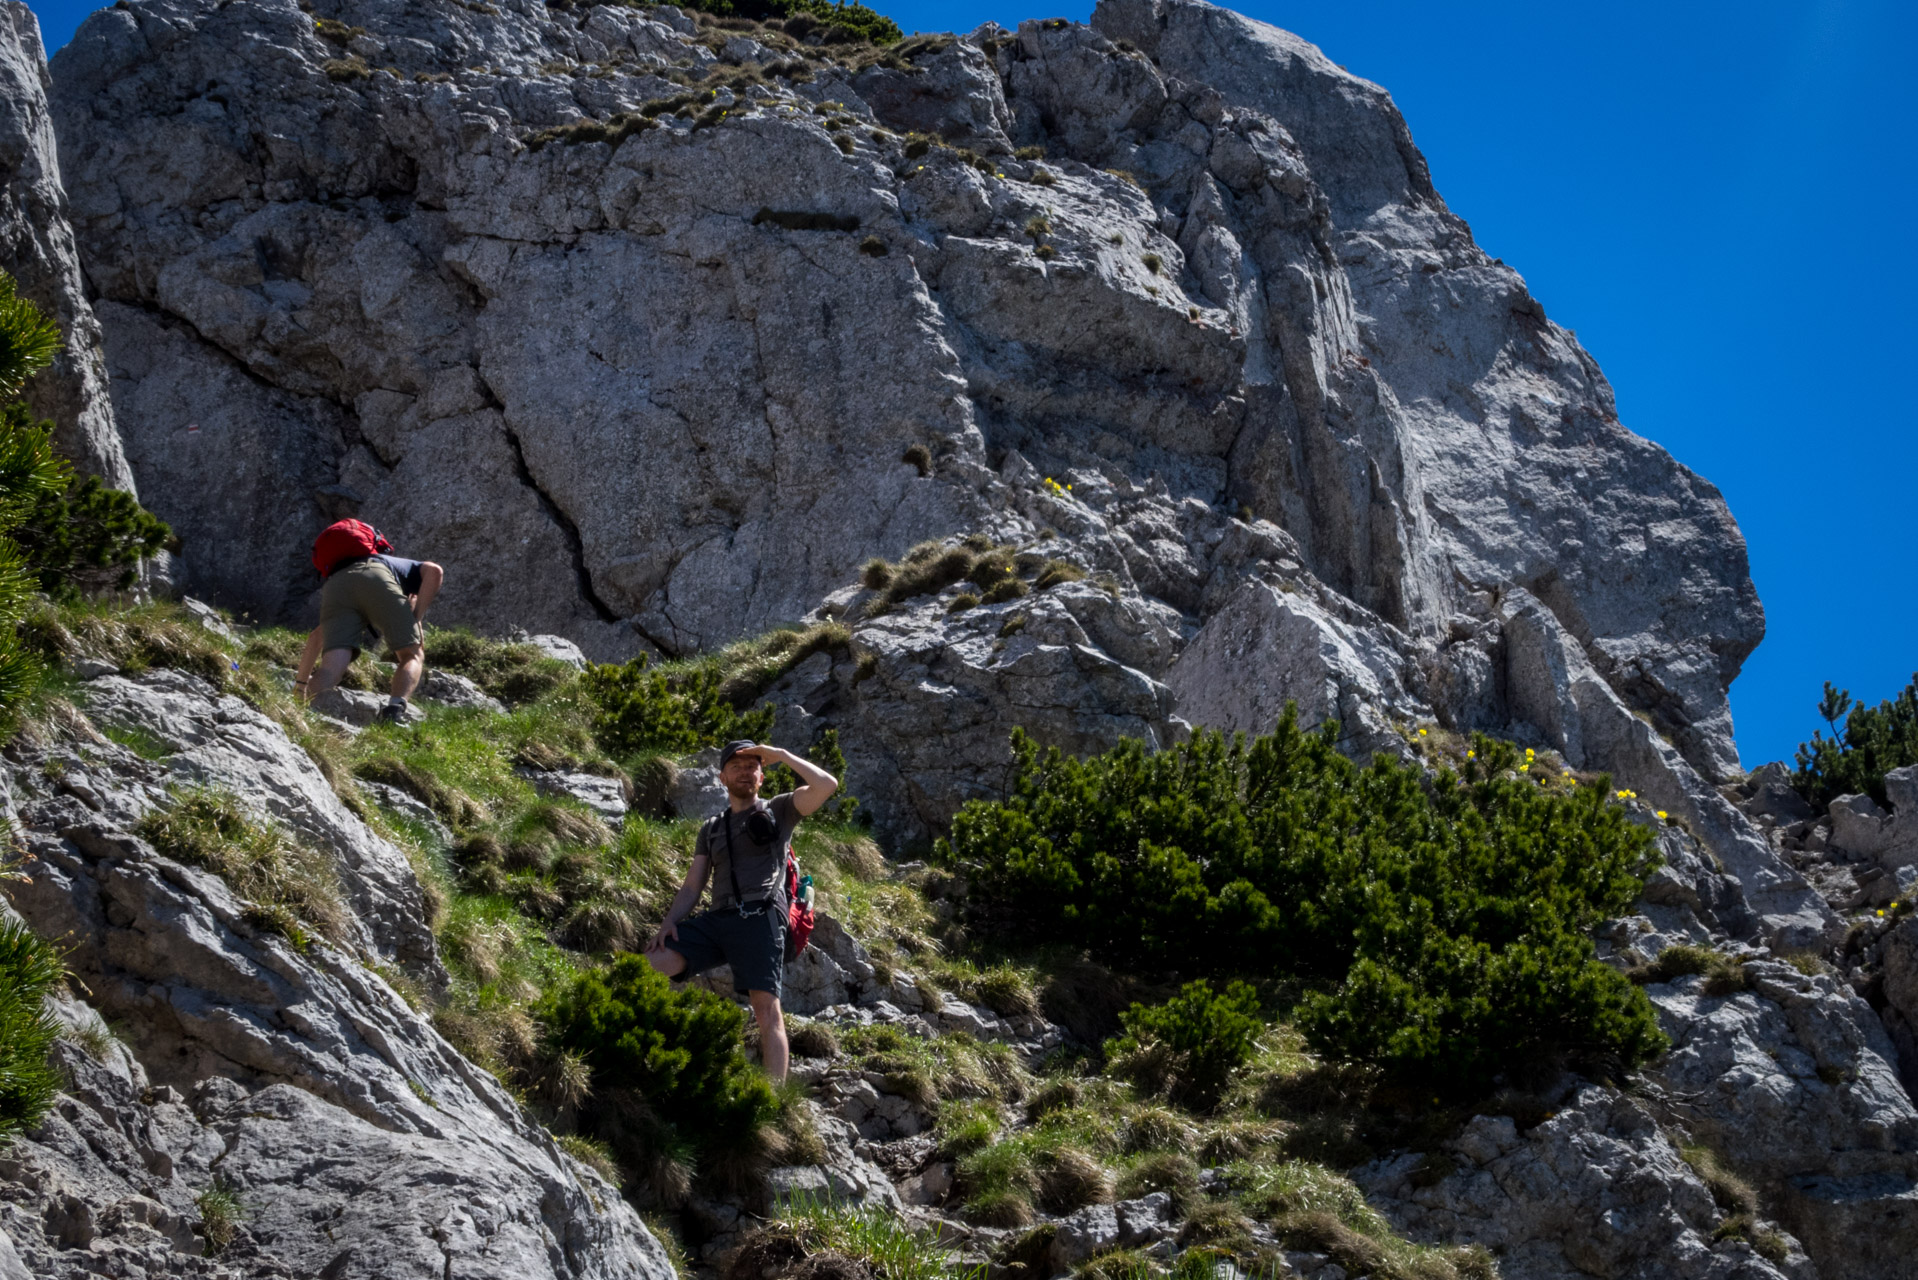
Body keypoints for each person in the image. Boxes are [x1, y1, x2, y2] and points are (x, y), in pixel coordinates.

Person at [645, 739, 838, 1082]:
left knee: (766, 1010)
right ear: (722, 777)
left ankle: (773, 1097)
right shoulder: (712, 828)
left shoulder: (779, 810)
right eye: (736, 766)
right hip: (718, 919)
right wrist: (668, 924)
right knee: (649, 965)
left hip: (759, 917)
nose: (745, 772)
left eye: (752, 766)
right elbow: (692, 886)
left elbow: (826, 785)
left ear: (761, 777)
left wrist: (782, 754)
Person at [294, 519, 444, 724]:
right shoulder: (391, 564)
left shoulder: (341, 574)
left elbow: (316, 637)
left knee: (332, 667)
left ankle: (298, 712)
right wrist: (415, 616)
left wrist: (301, 684)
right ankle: (394, 711)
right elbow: (435, 571)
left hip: (335, 587)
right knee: (411, 654)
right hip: (376, 576)